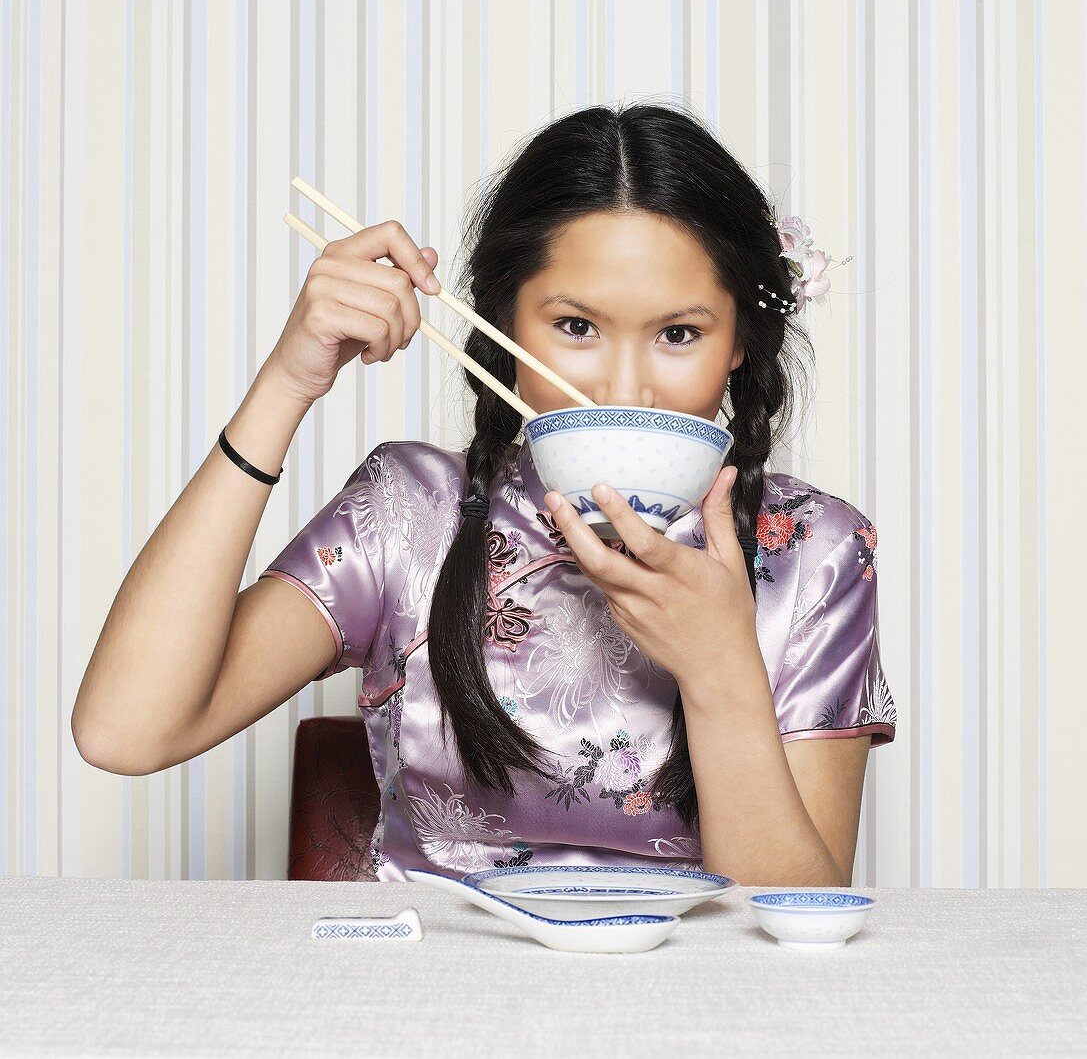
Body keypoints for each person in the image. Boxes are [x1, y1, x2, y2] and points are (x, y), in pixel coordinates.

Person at [72, 101, 896, 887]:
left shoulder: (813, 553)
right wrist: (288, 383)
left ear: (740, 344)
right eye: (575, 327)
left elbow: (796, 914)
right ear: (505, 326)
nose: (621, 385)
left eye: (677, 334)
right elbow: (125, 732)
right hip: (426, 1005)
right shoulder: (409, 516)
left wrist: (720, 668)